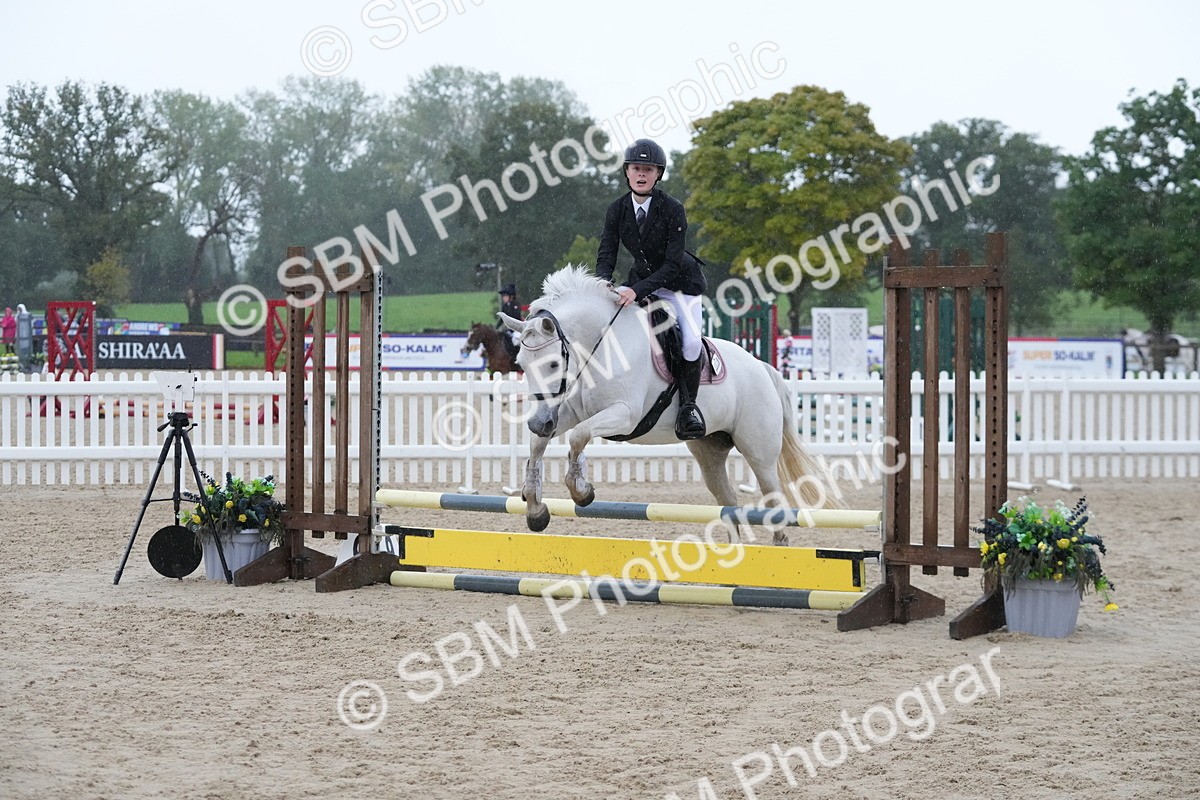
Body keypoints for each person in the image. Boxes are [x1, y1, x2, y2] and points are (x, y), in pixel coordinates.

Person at [595, 138, 708, 440]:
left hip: (681, 285)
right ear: (627, 172)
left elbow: (671, 265)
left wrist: (637, 291)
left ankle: (688, 409)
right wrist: (603, 281)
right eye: (636, 168)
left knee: (691, 343)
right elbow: (607, 251)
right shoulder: (617, 209)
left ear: (658, 174)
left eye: (648, 169)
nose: (641, 174)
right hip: (642, 281)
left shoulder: (673, 209)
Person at [496, 284, 521, 359]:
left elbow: (516, 317)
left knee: (516, 341)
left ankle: (518, 358)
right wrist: (496, 328)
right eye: (503, 296)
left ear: (511, 296)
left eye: (505, 296)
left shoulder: (516, 305)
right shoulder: (504, 307)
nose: (503, 298)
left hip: (517, 329)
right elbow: (501, 319)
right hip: (508, 330)